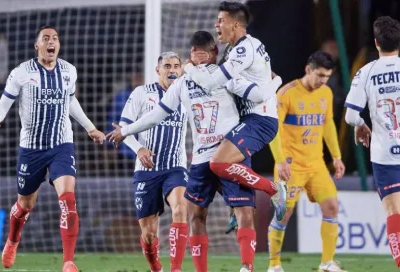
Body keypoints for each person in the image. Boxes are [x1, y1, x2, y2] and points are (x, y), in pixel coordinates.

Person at [108, 30, 283, 272]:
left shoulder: (218, 78)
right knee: (223, 213)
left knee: (202, 215)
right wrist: (275, 82)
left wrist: (126, 131)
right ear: (212, 52)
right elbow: (156, 115)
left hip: (223, 153)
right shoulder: (189, 82)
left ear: (197, 55)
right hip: (213, 155)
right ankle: (244, 265)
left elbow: (155, 116)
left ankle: (244, 266)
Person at [0, 26, 105, 272]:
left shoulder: (68, 71)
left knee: (68, 200)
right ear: (37, 45)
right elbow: (5, 100)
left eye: (55, 38)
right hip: (31, 149)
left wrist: (89, 127)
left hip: (62, 144)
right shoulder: (22, 72)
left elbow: (71, 101)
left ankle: (68, 262)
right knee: (25, 204)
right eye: (46, 39)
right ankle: (12, 240)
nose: (51, 42)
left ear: (58, 45)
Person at [185, 0, 288, 222]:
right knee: (215, 162)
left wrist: (189, 68)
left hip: (259, 120)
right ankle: (235, 207)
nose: (216, 25)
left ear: (235, 24)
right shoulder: (237, 49)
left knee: (218, 163)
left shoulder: (243, 49)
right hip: (248, 120)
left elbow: (213, 83)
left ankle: (273, 189)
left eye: (221, 20)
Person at [345, 16, 400, 272]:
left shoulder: (366, 72)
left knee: (393, 211)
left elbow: (350, 115)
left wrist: (360, 124)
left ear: (376, 42)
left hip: (386, 151)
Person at [267, 51, 346, 272]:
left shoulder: (326, 93)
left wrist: (337, 156)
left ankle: (327, 263)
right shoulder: (286, 93)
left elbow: (328, 123)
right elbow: (274, 129)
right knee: (284, 214)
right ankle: (274, 266)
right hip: (290, 166)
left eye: (327, 76)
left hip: (316, 164)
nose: (323, 81)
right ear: (308, 69)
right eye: (320, 75)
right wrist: (280, 161)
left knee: (331, 207)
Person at [116, 52, 188, 272]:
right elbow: (123, 129)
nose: (172, 70)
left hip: (175, 166)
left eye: (176, 66)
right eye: (167, 66)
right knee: (148, 234)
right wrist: (139, 149)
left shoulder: (187, 95)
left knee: (180, 209)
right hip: (146, 171)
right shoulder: (141, 93)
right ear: (158, 70)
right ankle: (156, 268)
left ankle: (176, 269)